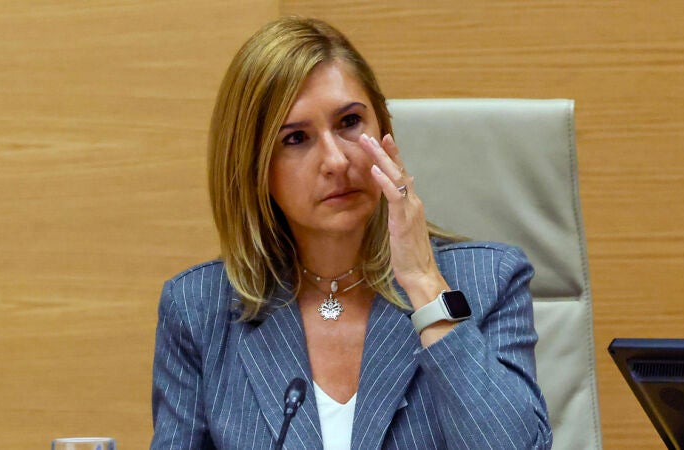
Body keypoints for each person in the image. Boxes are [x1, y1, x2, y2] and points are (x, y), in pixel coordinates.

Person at [151, 16, 552, 450]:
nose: (336, 161)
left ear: (383, 130)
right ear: (254, 168)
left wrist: (424, 283)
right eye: (296, 138)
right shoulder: (199, 310)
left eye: (349, 122)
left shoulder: (488, 280)